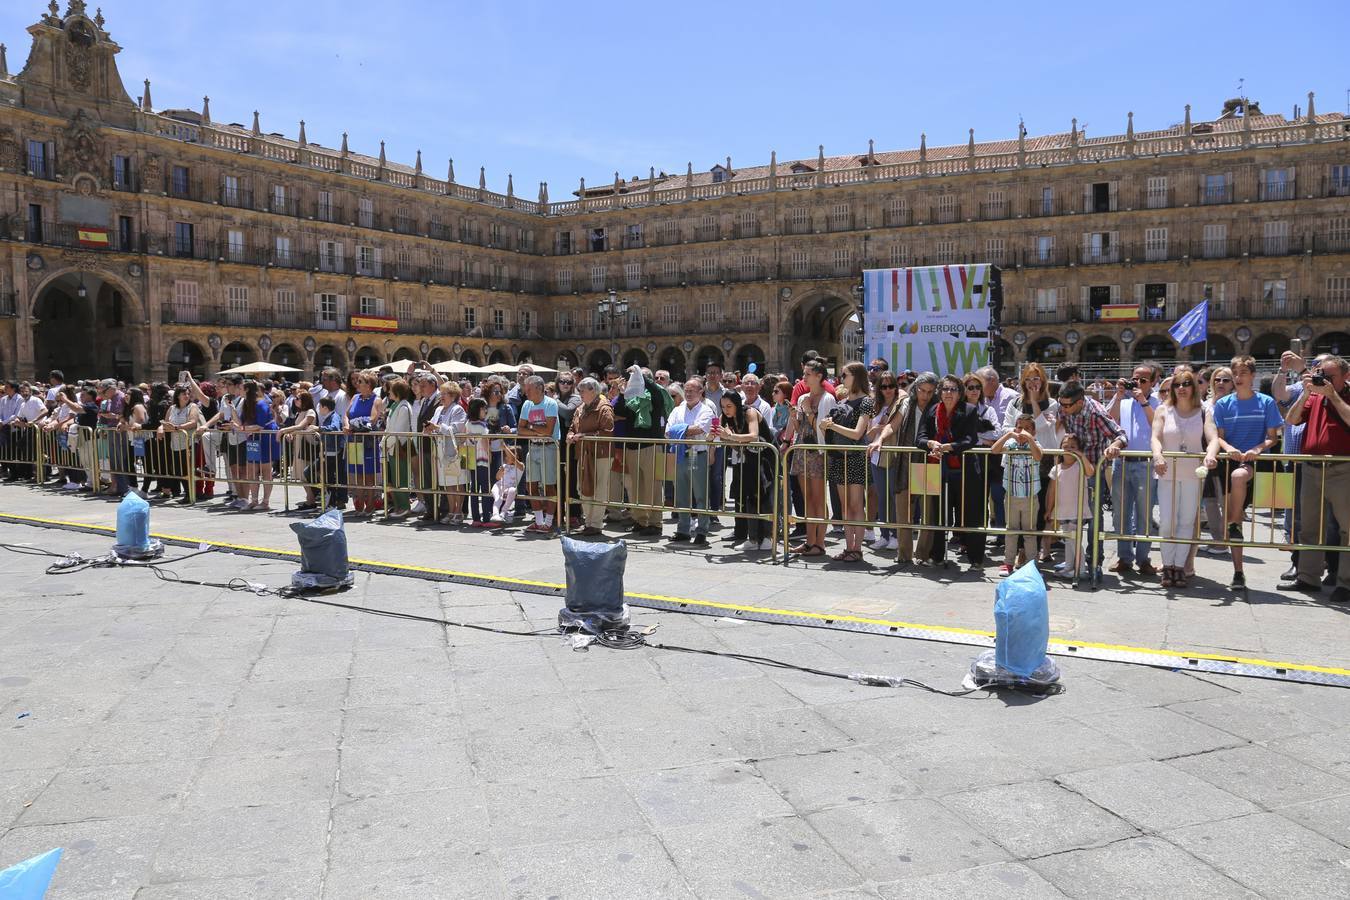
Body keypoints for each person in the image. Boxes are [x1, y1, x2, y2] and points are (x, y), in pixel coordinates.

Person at [1279, 354, 1350, 602]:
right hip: (1312, 468)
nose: (1324, 381)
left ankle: (1346, 582)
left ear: (1345, 377)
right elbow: (1292, 419)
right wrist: (1307, 393)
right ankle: (1308, 577)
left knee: (1347, 529)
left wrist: (1332, 395)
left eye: (1329, 377)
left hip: (1342, 469)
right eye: (1321, 375)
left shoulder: (1340, 395)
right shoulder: (1315, 395)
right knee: (1309, 527)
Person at [1211, 355, 1283, 590]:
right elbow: (1219, 438)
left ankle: (1233, 519)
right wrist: (1229, 448)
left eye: (1243, 373)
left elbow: (1273, 438)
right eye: (1235, 373)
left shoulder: (1266, 402)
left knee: (1237, 480)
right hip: (1230, 460)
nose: (1238, 377)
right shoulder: (1222, 405)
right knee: (1236, 521)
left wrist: (1256, 449)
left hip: (1254, 463)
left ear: (1252, 375)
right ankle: (1238, 571)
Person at [1151, 367, 1219, 588]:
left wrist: (1210, 454)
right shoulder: (1163, 410)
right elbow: (1156, 437)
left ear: (1194, 387)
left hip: (1192, 473)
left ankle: (1180, 566)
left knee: (1187, 521)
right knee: (1167, 521)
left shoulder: (1203, 411)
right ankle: (1167, 565)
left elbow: (1213, 437)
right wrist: (1158, 456)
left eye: (1186, 384)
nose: (1181, 388)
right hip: (1167, 472)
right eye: (1177, 385)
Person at [1054, 381, 1126, 579]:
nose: (1064, 409)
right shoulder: (1064, 409)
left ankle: (1094, 562)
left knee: (1094, 518)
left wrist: (1115, 445)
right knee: (1069, 517)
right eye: (1062, 404)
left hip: (1092, 472)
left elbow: (1120, 434)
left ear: (1080, 401)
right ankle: (1072, 561)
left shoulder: (1096, 413)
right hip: (1072, 471)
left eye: (1068, 405)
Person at [918, 374, 987, 573]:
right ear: (940, 392)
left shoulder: (969, 410)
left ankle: (976, 559)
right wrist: (930, 443)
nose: (948, 393)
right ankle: (937, 556)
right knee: (939, 514)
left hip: (964, 470)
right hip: (936, 468)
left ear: (960, 393)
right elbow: (920, 437)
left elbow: (970, 439)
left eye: (953, 389)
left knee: (970, 515)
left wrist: (949, 446)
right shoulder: (932, 410)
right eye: (945, 389)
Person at [1001, 363, 1060, 564]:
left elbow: (1043, 426)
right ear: (1022, 381)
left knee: (1040, 507)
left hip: (1042, 462)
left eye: (1036, 378)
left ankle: (1038, 549)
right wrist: (1017, 435)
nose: (1032, 383)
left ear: (1043, 381)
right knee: (1017, 512)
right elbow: (1006, 427)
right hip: (1017, 464)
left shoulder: (1051, 403)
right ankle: (1019, 551)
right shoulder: (1014, 404)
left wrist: (1035, 402)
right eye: (1028, 379)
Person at [1107, 364, 1161, 577]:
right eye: (1134, 379)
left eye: (1143, 380)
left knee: (1144, 514)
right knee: (1120, 513)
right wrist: (1119, 395)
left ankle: (1144, 558)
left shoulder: (1156, 402)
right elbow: (1109, 419)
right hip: (1122, 462)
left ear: (1153, 382)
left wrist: (1143, 401)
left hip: (1145, 463)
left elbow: (1157, 424)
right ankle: (1124, 557)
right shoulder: (1124, 400)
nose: (1137, 383)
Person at [820, 362, 875, 562]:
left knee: (856, 505)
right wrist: (825, 426)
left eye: (845, 375)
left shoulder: (866, 402)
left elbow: (858, 433)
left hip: (856, 458)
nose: (842, 379)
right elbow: (827, 432)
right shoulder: (842, 402)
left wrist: (832, 426)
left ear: (856, 376)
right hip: (839, 458)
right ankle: (849, 547)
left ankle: (857, 549)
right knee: (845, 507)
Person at [788, 359, 836, 557]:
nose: (804, 377)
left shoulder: (827, 398)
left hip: (818, 451)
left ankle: (820, 543)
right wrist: (794, 417)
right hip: (803, 450)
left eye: (808, 374)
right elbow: (801, 429)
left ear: (819, 376)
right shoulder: (803, 398)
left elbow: (822, 429)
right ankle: (809, 541)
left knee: (818, 498)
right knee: (807, 498)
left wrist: (808, 411)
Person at [718, 389, 775, 551]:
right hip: (747, 458)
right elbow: (732, 444)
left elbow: (753, 435)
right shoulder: (725, 418)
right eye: (722, 407)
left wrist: (731, 436)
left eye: (729, 406)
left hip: (766, 457)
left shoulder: (750, 412)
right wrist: (717, 436)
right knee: (749, 497)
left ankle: (768, 537)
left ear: (737, 404)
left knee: (764, 497)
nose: (725, 410)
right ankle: (753, 538)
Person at [665, 376, 715, 546]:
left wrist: (679, 431)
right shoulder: (677, 410)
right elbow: (668, 430)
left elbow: (700, 428)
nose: (688, 394)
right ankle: (683, 529)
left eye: (692, 391)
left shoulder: (706, 410)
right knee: (681, 494)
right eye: (686, 390)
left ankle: (702, 530)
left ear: (701, 392)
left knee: (701, 494)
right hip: (680, 454)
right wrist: (686, 431)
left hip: (696, 453)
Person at [992, 412, 1043, 575]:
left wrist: (1030, 439)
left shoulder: (1035, 444)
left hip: (1030, 496)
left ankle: (1031, 564)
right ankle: (1008, 562)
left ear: (1033, 432)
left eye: (1027, 429)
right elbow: (994, 450)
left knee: (1029, 532)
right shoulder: (1011, 445)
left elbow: (1038, 455)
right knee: (1011, 530)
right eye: (1020, 428)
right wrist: (1008, 435)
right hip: (1012, 495)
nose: (1023, 432)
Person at [567, 376, 615, 536]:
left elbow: (607, 432)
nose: (579, 393)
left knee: (599, 489)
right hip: (583, 453)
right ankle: (588, 522)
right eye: (579, 390)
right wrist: (571, 435)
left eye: (582, 390)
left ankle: (596, 524)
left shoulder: (604, 408)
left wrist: (583, 435)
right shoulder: (581, 408)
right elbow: (573, 427)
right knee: (583, 488)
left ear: (593, 391)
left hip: (601, 454)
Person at [864, 372, 902, 552]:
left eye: (891, 386)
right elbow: (869, 433)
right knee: (882, 497)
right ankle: (884, 534)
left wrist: (880, 429)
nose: (888, 390)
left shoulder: (901, 404)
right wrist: (880, 428)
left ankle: (895, 535)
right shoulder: (875, 406)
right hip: (876, 457)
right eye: (884, 386)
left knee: (894, 497)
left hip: (894, 455)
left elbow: (894, 429)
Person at [518, 375, 560, 534]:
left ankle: (548, 522)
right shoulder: (527, 405)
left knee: (549, 485)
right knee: (531, 485)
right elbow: (520, 429)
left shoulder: (550, 404)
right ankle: (538, 521)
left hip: (548, 447)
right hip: (533, 447)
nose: (526, 392)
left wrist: (530, 427)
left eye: (529, 389)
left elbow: (548, 431)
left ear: (539, 389)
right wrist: (536, 430)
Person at [1047, 433, 1093, 578]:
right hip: (1062, 510)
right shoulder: (1057, 468)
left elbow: (1091, 471)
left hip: (1077, 511)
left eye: (1073, 447)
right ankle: (1069, 566)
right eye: (1065, 446)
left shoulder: (1080, 465)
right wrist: (1049, 509)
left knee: (1074, 540)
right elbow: (1052, 490)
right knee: (1068, 540)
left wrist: (1082, 456)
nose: (1069, 450)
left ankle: (1080, 569)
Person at [344, 373, 385, 516]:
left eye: (360, 381)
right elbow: (346, 415)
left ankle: (370, 506)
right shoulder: (355, 398)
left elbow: (372, 419)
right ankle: (359, 505)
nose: (357, 383)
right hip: (354, 441)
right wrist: (347, 425)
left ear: (368, 385)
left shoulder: (376, 400)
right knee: (358, 474)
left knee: (369, 476)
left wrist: (353, 425)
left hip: (368, 443)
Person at [430, 380, 469, 525]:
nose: (441, 396)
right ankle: (451, 510)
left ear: (452, 396)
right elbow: (434, 426)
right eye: (441, 394)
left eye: (444, 394)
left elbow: (456, 429)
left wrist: (437, 427)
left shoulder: (457, 409)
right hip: (440, 451)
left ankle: (459, 512)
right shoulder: (438, 410)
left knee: (457, 482)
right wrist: (429, 428)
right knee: (447, 483)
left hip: (454, 451)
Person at [158, 385, 203, 502]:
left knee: (188, 469)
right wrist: (161, 428)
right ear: (177, 395)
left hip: (189, 442)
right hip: (175, 443)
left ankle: (190, 495)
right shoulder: (172, 408)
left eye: (188, 394)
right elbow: (165, 422)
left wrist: (177, 427)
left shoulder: (193, 407)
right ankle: (187, 494)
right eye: (184, 394)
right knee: (179, 470)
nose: (187, 396)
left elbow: (193, 422)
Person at [277, 390, 319, 510]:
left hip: (308, 446)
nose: (295, 400)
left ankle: (311, 500)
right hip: (299, 445)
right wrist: (292, 434)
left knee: (306, 473)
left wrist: (284, 431)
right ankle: (309, 499)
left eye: (298, 398)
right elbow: (298, 429)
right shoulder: (299, 412)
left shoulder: (310, 412)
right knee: (301, 474)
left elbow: (301, 426)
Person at [381, 377, 415, 519]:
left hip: (398, 447)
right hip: (391, 446)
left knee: (400, 478)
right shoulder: (396, 405)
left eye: (391, 391)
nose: (388, 393)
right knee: (394, 479)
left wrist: (386, 442)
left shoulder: (404, 407)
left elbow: (399, 430)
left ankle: (404, 507)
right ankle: (398, 506)